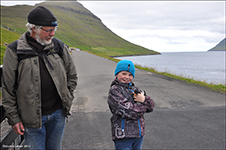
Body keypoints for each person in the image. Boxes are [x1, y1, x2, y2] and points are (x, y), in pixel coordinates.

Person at [2, 6, 77, 150]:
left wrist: (67, 97)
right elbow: (7, 88)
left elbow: (72, 76)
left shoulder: (59, 46)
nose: (52, 34)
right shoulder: (15, 50)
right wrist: (14, 118)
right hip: (31, 120)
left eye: (54, 30)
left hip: (58, 114)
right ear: (33, 28)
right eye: (48, 30)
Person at [108, 60, 155, 150]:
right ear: (117, 74)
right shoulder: (114, 90)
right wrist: (144, 106)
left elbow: (151, 106)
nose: (127, 77)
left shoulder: (135, 89)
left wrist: (144, 99)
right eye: (124, 73)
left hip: (139, 134)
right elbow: (127, 111)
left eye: (130, 75)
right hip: (123, 135)